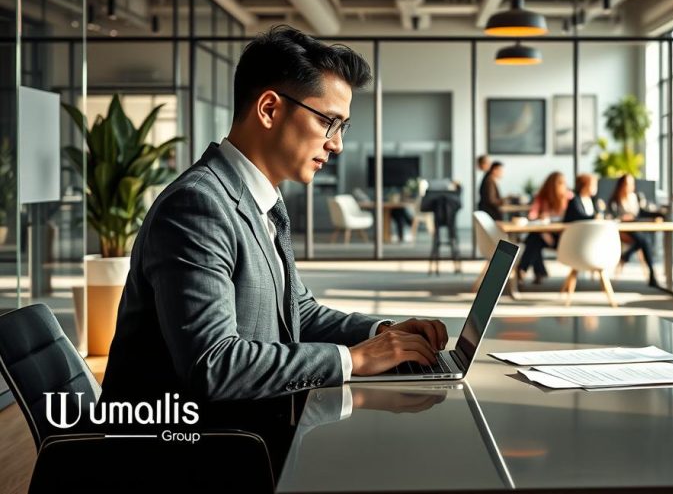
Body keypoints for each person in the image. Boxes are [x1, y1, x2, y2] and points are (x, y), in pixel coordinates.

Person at [100, 26, 449, 474]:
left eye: (342, 126)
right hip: (183, 456)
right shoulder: (198, 206)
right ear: (269, 108)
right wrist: (355, 359)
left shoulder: (261, 199)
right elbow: (214, 364)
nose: (337, 143)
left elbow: (297, 311)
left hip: (246, 431)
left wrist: (384, 333)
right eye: (328, 121)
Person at [519, 171, 572, 284]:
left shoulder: (569, 198)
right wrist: (540, 218)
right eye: (560, 183)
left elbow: (569, 218)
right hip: (545, 234)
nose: (563, 186)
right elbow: (532, 215)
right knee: (535, 239)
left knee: (533, 239)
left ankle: (524, 269)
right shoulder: (542, 197)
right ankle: (537, 272)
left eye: (564, 183)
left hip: (563, 237)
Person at [607, 174, 660, 288]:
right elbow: (612, 216)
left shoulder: (635, 197)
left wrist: (659, 214)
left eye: (632, 183)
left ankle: (626, 255)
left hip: (635, 229)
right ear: (621, 185)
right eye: (627, 183)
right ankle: (652, 273)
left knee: (643, 240)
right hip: (622, 231)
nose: (630, 186)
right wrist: (622, 218)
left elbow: (642, 213)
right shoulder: (615, 200)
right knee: (645, 240)